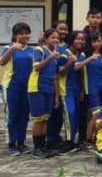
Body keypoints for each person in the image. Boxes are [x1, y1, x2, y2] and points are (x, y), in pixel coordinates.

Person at [1, 23, 34, 156]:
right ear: (15, 35)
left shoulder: (32, 49)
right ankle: (11, 144)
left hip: (27, 87)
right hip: (11, 86)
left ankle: (21, 142)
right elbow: (2, 62)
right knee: (12, 115)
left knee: (24, 115)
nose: (25, 35)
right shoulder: (8, 47)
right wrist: (12, 49)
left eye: (27, 32)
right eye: (21, 33)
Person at [28, 28, 61, 159]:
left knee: (45, 118)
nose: (56, 40)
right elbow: (37, 67)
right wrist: (50, 57)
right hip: (37, 87)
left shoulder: (55, 54)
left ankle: (43, 146)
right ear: (46, 39)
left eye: (58, 38)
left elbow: (54, 76)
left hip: (49, 89)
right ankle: (37, 148)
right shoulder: (39, 50)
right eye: (53, 37)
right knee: (38, 119)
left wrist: (56, 95)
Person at [53, 30, 85, 155]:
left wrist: (82, 89)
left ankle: (72, 141)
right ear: (71, 40)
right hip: (65, 90)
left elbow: (81, 73)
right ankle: (68, 142)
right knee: (69, 114)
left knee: (76, 115)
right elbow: (60, 72)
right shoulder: (65, 54)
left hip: (76, 89)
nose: (80, 41)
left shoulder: (80, 54)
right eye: (78, 39)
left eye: (82, 39)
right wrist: (70, 63)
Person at [76, 32, 102, 148]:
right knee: (95, 114)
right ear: (90, 42)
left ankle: (98, 137)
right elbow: (77, 66)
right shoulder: (85, 54)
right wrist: (90, 58)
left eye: (99, 41)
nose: (97, 43)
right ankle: (88, 139)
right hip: (91, 89)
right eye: (94, 41)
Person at [46, 20, 69, 151]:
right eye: (60, 29)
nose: (63, 31)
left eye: (65, 29)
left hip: (63, 84)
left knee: (59, 113)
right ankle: (50, 139)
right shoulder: (50, 47)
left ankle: (55, 137)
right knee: (52, 113)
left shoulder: (67, 46)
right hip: (51, 83)